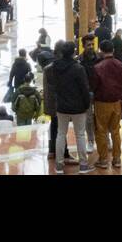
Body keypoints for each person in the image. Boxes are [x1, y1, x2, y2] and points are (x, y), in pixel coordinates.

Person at [49, 41, 93, 174]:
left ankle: (59, 166)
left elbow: (54, 86)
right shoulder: (78, 68)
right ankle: (83, 165)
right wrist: (86, 105)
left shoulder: (55, 67)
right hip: (78, 106)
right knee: (80, 134)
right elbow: (84, 89)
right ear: (74, 52)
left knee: (61, 134)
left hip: (62, 106)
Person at [90, 38, 122, 169]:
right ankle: (117, 159)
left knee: (101, 131)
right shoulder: (121, 65)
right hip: (116, 102)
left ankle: (103, 159)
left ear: (101, 51)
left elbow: (93, 86)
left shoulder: (98, 67)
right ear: (113, 50)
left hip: (101, 102)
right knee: (115, 131)